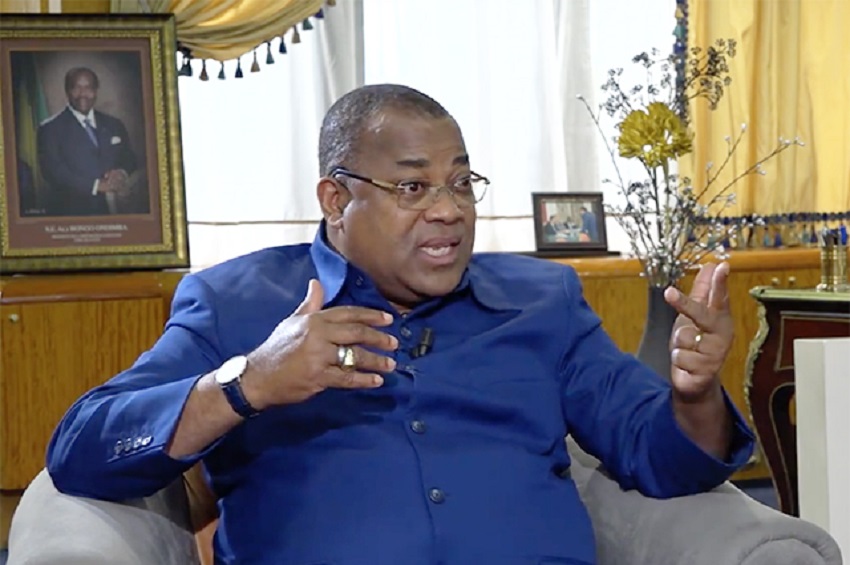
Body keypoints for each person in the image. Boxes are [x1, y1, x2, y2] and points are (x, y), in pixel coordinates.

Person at [47, 84, 753, 565]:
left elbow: (661, 457)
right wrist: (248, 382)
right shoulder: (236, 302)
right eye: (413, 187)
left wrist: (693, 395)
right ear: (335, 199)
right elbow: (82, 446)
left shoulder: (544, 301)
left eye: (461, 183)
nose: (449, 210)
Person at [37, 66, 138, 216]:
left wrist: (121, 173)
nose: (83, 94)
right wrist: (96, 186)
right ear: (67, 91)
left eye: (88, 88)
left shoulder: (114, 124)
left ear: (96, 91)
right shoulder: (49, 129)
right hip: (71, 215)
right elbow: (53, 172)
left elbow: (129, 157)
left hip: (117, 213)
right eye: (76, 88)